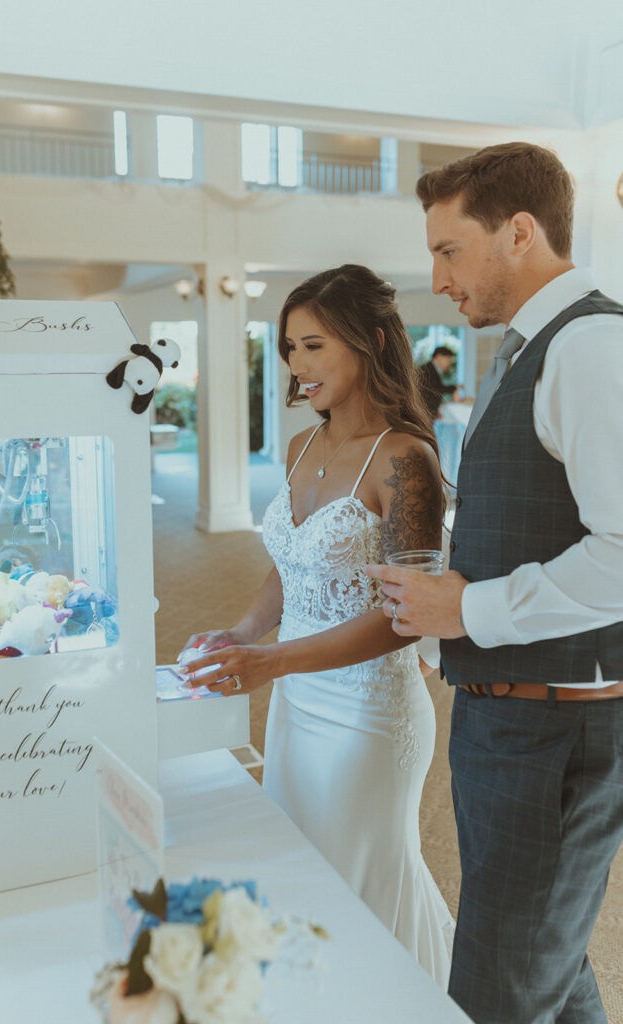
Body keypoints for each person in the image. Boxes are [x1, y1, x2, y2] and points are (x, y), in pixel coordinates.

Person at [366, 142, 623, 1024]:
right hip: (512, 716)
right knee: (543, 963)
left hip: (557, 727)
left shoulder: (588, 346)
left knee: (496, 991)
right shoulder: (527, 349)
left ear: (518, 233)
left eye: (446, 249)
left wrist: (465, 605)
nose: (435, 277)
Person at [180, 265, 454, 985]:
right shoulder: (303, 447)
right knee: (302, 877)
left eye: (313, 347)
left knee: (359, 888)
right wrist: (246, 632)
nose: (297, 368)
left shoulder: (405, 460)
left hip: (368, 716)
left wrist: (270, 663)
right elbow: (292, 562)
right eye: (289, 350)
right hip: (298, 707)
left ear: (368, 342)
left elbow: (404, 619)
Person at [418, 345, 460, 423]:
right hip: (422, 416)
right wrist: (453, 388)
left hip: (425, 414)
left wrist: (435, 412)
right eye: (448, 359)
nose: (450, 363)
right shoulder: (428, 370)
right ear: (439, 357)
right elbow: (435, 389)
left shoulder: (431, 369)